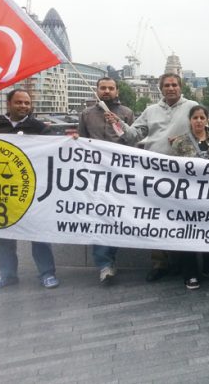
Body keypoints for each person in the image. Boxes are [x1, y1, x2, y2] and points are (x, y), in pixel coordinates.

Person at [0, 89, 60, 291]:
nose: (23, 106)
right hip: (3, 193)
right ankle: (6, 275)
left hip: (31, 191)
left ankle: (47, 273)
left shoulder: (39, 128)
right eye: (19, 102)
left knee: (38, 234)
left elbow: (58, 144)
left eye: (27, 103)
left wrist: (73, 138)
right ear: (8, 104)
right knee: (4, 236)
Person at [117, 73, 198, 282]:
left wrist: (182, 140)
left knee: (182, 218)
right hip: (155, 172)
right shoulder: (150, 110)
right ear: (161, 89)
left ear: (181, 87)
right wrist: (117, 123)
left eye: (174, 85)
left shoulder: (192, 106)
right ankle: (159, 262)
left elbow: (202, 131)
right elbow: (133, 135)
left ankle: (182, 261)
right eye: (167, 85)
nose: (171, 88)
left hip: (182, 172)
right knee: (155, 217)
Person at [77, 77, 134, 284]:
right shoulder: (86, 114)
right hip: (95, 175)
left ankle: (112, 256)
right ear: (97, 90)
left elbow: (132, 140)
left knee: (115, 217)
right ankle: (104, 264)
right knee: (99, 218)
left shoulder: (126, 113)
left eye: (111, 88)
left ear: (117, 91)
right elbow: (81, 141)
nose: (107, 91)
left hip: (118, 175)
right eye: (103, 88)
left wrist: (118, 124)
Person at [170, 106, 209, 290]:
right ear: (190, 120)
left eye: (202, 117)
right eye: (195, 117)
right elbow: (173, 169)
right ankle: (190, 273)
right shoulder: (180, 142)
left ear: (207, 120)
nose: (198, 121)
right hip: (189, 197)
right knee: (189, 233)